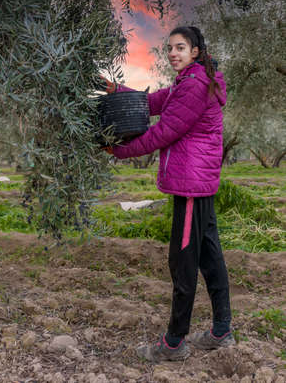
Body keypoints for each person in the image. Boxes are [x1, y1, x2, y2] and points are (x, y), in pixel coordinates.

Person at [100, 26, 235, 362]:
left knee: (183, 261)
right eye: (170, 48)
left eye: (180, 47)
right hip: (196, 182)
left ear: (196, 51)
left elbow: (163, 132)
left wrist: (119, 151)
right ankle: (221, 331)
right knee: (209, 255)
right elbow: (150, 102)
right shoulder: (187, 82)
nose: (173, 53)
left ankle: (174, 342)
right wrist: (118, 90)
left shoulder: (194, 87)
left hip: (191, 185)